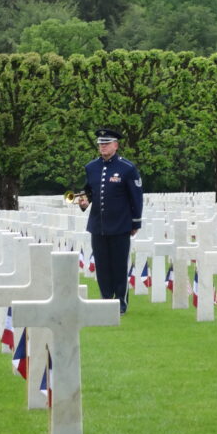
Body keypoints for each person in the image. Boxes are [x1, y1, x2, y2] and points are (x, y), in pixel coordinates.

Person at [78, 128, 143, 314]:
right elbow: (89, 191)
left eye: (106, 143)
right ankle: (106, 299)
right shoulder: (91, 167)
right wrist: (83, 201)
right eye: (100, 144)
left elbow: (136, 197)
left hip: (120, 224)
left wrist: (135, 222)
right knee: (102, 265)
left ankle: (121, 301)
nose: (103, 147)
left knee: (119, 265)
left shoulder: (127, 168)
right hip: (98, 225)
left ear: (116, 145)